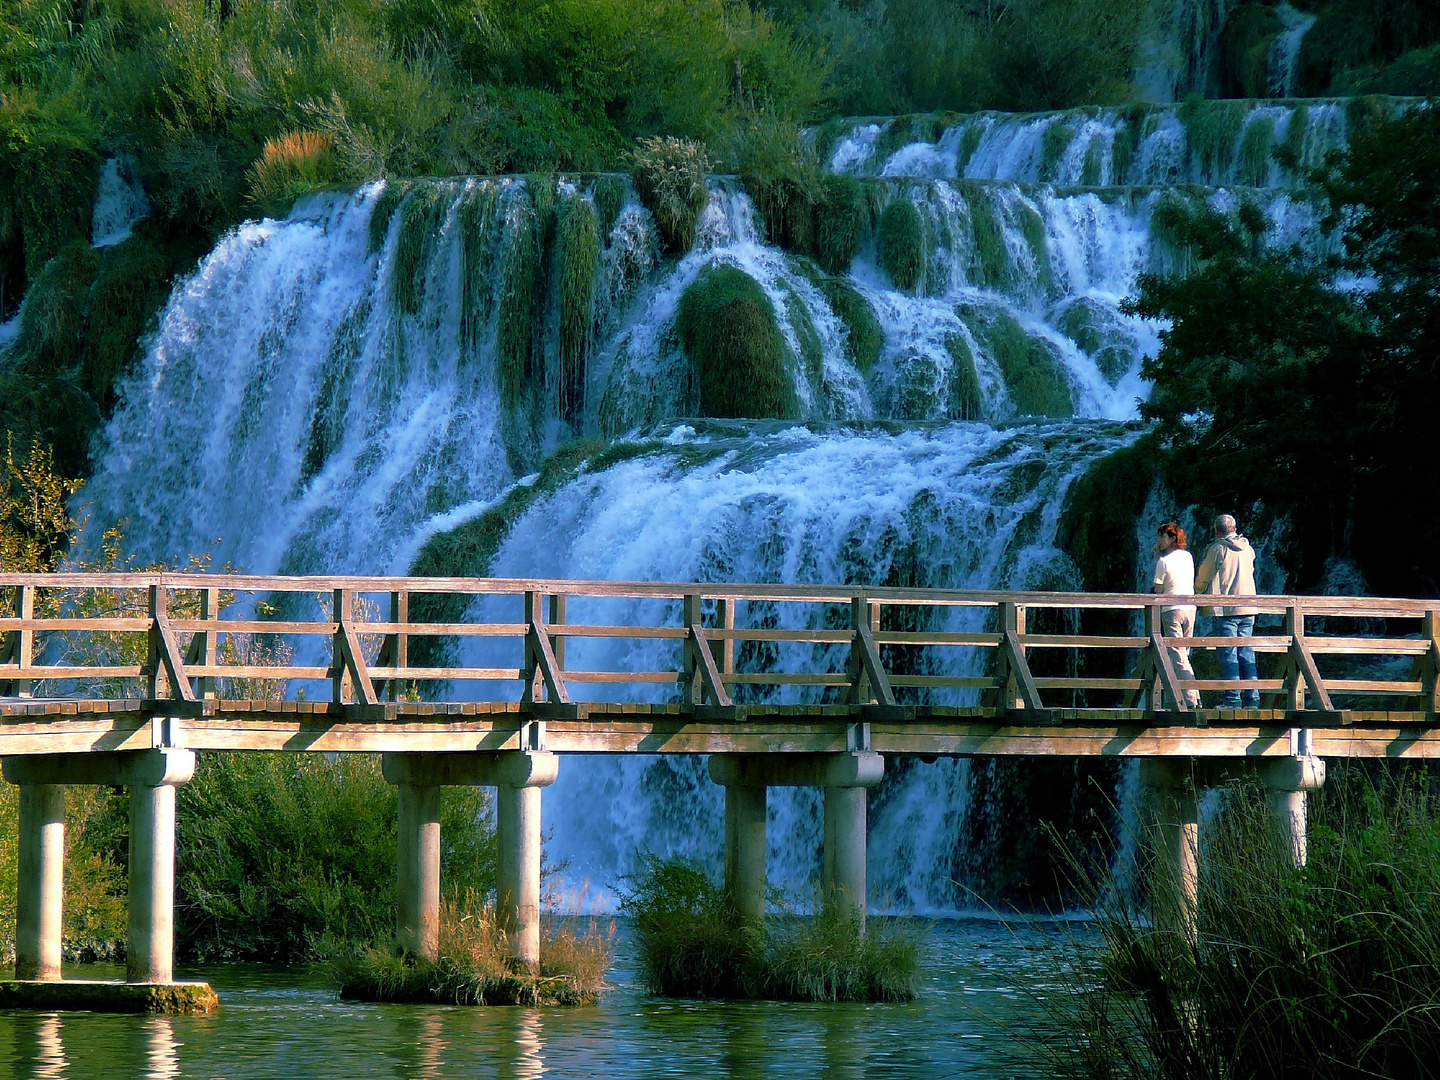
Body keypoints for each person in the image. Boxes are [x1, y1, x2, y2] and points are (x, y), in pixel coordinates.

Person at [1195, 513, 1260, 709]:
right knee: (1246, 654)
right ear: (1234, 528)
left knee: (1229, 654)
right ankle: (1252, 700)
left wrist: (1196, 592)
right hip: (1248, 608)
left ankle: (1233, 701)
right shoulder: (1248, 548)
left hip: (1228, 610)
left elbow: (1204, 577)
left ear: (1216, 531)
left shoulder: (1218, 549)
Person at [1152, 522, 1201, 708]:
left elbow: (1158, 591)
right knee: (1184, 654)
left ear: (1172, 538)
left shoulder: (1163, 562)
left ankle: (1190, 700)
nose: (1159, 540)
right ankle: (1192, 696)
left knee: (1178, 656)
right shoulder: (1188, 556)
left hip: (1171, 609)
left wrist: (1158, 558)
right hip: (1190, 608)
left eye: (1162, 537)